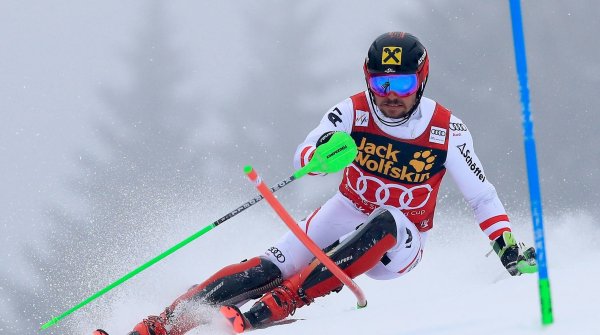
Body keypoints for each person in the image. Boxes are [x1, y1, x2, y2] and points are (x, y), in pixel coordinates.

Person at [93, 32, 536, 335]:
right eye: (381, 82)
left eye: (401, 83)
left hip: (401, 241)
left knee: (387, 218)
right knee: (265, 267)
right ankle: (162, 324)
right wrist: (321, 155)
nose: (391, 94)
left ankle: (282, 303)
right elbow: (305, 153)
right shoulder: (354, 111)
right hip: (345, 211)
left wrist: (506, 245)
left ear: (420, 81)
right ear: (369, 79)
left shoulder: (446, 130)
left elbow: (481, 195)